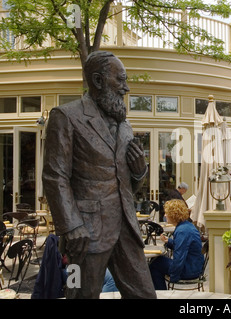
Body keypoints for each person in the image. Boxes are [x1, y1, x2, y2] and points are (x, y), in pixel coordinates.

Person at [42, 51, 156, 299]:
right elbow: (54, 177)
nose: (126, 88)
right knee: (79, 294)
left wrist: (139, 173)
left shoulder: (125, 126)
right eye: (121, 80)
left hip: (125, 227)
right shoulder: (66, 116)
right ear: (98, 81)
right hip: (84, 232)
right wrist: (71, 225)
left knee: (145, 295)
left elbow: (124, 183)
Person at [149, 199, 204, 290]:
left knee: (154, 264)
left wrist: (173, 277)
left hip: (189, 270)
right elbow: (183, 247)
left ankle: (162, 294)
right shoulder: (187, 226)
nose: (165, 215)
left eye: (167, 213)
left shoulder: (182, 231)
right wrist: (169, 241)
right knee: (157, 261)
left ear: (173, 215)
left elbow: (180, 257)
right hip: (194, 266)